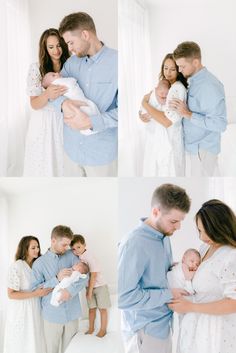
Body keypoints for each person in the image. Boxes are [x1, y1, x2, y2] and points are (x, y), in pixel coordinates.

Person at [118, 183, 191, 353]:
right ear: (156, 212)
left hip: (163, 325)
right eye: (174, 221)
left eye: (180, 221)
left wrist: (176, 270)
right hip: (144, 330)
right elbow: (125, 298)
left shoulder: (164, 236)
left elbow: (155, 274)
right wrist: (169, 294)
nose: (178, 227)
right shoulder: (133, 243)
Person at [51, 12, 118, 177]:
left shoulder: (118, 63)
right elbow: (53, 92)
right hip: (71, 150)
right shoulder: (71, 63)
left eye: (71, 42)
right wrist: (63, 103)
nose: (69, 49)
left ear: (85, 35)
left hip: (100, 154)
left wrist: (91, 121)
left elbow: (127, 110)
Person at [169, 199, 236, 353]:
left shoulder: (230, 256)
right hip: (197, 327)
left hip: (217, 331)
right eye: (199, 230)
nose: (202, 237)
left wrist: (191, 307)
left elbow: (234, 303)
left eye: (208, 231)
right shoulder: (205, 247)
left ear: (221, 228)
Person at [169, 41, 227, 177]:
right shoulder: (193, 81)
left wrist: (187, 114)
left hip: (203, 150)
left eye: (182, 66)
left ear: (195, 62)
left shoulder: (210, 86)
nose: (180, 70)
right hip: (193, 148)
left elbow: (220, 124)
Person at [31, 225, 88, 353]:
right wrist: (56, 279)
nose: (67, 248)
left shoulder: (72, 256)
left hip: (72, 314)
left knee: (72, 350)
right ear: (53, 241)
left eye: (68, 244)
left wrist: (70, 291)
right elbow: (35, 290)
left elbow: (85, 276)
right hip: (52, 316)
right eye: (64, 245)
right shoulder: (39, 263)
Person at [24, 28, 69, 177]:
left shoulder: (70, 66)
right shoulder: (36, 69)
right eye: (51, 47)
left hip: (64, 122)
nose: (56, 51)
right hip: (43, 123)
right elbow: (34, 104)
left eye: (58, 45)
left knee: (64, 167)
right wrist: (47, 94)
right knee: (42, 167)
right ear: (45, 48)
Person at [140, 53, 188, 176]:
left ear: (179, 70)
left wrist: (144, 104)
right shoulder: (163, 86)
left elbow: (167, 121)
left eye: (172, 69)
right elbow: (152, 102)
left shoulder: (177, 89)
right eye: (165, 68)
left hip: (170, 140)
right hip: (157, 139)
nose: (168, 72)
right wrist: (142, 114)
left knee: (170, 172)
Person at [3, 236, 51, 353]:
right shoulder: (17, 266)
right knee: (22, 340)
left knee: (35, 339)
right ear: (25, 249)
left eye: (38, 247)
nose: (37, 250)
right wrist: (35, 293)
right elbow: (11, 294)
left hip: (35, 308)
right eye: (33, 247)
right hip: (21, 310)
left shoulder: (37, 265)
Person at [71, 234, 111, 338]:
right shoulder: (79, 257)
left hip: (99, 286)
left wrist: (89, 291)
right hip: (89, 287)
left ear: (84, 245)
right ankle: (91, 328)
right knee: (91, 308)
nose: (77, 250)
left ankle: (103, 330)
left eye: (78, 247)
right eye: (74, 249)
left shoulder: (89, 256)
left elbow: (93, 275)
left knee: (102, 308)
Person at [42, 71, 100, 135]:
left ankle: (88, 129)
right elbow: (71, 82)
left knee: (81, 115)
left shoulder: (57, 83)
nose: (57, 73)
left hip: (76, 102)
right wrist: (73, 80)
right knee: (86, 110)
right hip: (77, 100)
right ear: (51, 83)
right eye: (53, 75)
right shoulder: (57, 83)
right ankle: (93, 125)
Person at [140, 79, 175, 176]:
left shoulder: (170, 99)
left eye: (166, 93)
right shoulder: (151, 96)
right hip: (152, 132)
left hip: (164, 132)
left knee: (164, 160)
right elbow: (143, 109)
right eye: (161, 92)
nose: (164, 95)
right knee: (152, 161)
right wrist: (141, 114)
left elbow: (166, 118)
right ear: (156, 90)